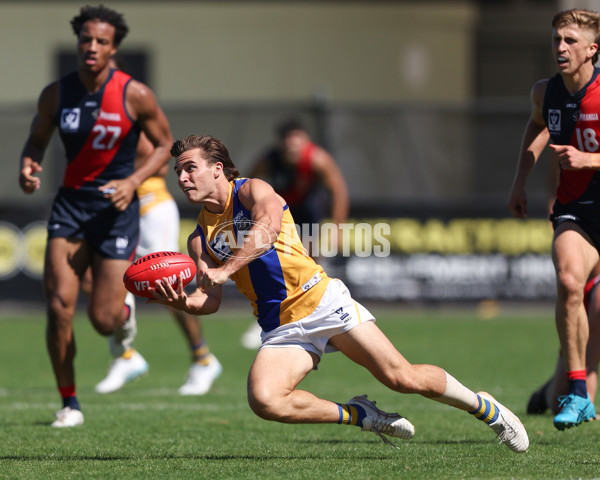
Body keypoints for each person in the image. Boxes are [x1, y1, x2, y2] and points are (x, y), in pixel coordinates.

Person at [149, 134, 529, 452]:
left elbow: (265, 231)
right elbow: (208, 300)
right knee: (265, 399)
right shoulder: (198, 239)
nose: (181, 178)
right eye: (178, 171)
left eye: (189, 168)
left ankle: (484, 407)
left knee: (403, 378)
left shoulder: (251, 190)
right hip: (280, 328)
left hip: (323, 302)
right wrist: (178, 300)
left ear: (217, 169)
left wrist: (225, 269)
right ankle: (359, 415)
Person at [18, 5, 173, 427]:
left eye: (101, 41)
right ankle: (69, 403)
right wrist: (28, 165)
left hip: (116, 211)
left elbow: (165, 145)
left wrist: (134, 181)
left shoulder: (134, 94)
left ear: (113, 47)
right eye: (86, 39)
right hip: (70, 207)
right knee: (58, 306)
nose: (91, 47)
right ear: (78, 42)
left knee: (103, 321)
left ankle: (123, 321)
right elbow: (36, 140)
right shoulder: (57, 93)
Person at [91, 57, 222, 396]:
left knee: (166, 287)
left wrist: (120, 176)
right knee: (95, 280)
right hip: (114, 211)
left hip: (149, 208)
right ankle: (126, 354)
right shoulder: (88, 115)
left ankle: (203, 359)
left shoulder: (130, 112)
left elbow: (159, 157)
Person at [508, 8, 600, 430]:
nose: (560, 48)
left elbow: (582, 153)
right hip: (576, 212)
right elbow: (537, 125)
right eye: (556, 40)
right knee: (568, 282)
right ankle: (577, 392)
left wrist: (590, 159)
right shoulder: (545, 92)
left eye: (570, 41)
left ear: (592, 50)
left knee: (595, 328)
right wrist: (520, 181)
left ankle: (557, 388)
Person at [240, 118, 349, 348]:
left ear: (305, 141)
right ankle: (268, 320)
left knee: (308, 265)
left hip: (309, 213)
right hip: (279, 213)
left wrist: (337, 227)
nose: (293, 147)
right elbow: (246, 184)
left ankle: (322, 318)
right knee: (274, 266)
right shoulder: (269, 160)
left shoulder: (318, 160)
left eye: (297, 141)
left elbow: (338, 190)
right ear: (282, 143)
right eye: (288, 142)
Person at [527, 264, 600, 416]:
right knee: (558, 405)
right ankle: (546, 392)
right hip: (588, 292)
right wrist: (588, 407)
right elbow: (589, 360)